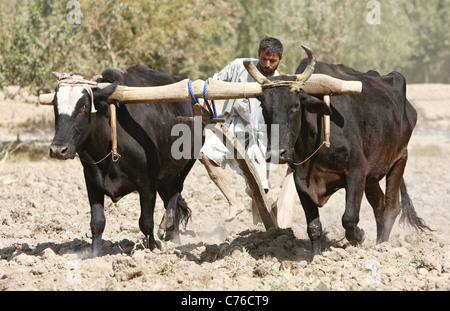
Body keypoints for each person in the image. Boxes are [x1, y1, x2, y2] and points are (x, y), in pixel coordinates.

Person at [200, 37, 283, 221]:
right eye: (264, 59)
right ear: (258, 55)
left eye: (272, 61)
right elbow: (213, 83)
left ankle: (264, 220)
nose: (267, 64)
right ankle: (234, 203)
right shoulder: (239, 66)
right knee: (207, 156)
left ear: (280, 60)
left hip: (260, 136)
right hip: (232, 125)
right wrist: (207, 101)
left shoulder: (281, 84)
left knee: (257, 188)